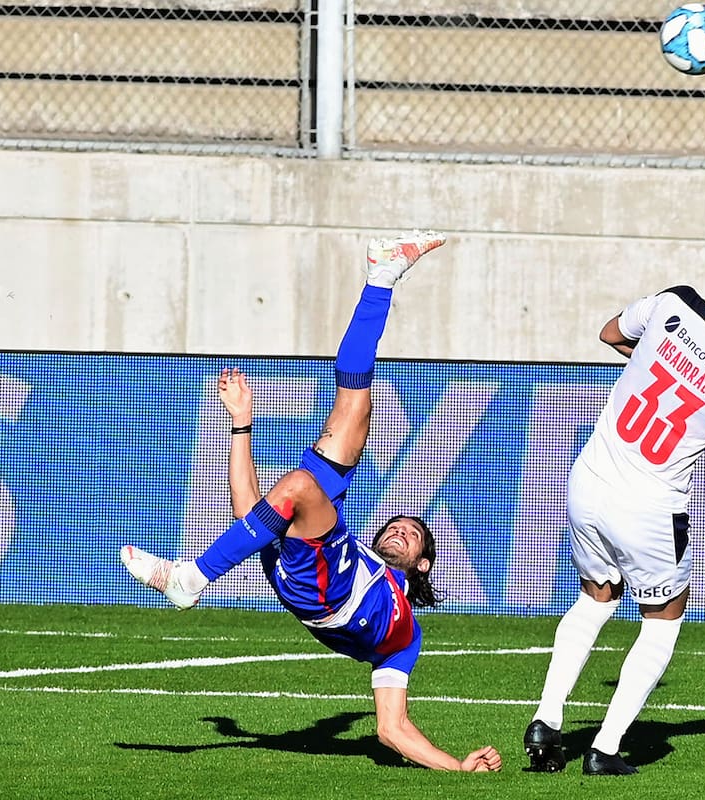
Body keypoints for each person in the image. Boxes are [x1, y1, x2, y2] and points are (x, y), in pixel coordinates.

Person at [121, 231, 503, 773]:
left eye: (413, 535)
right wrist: (241, 423)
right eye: (396, 526)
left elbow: (392, 728)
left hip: (331, 596)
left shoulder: (405, 636)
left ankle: (190, 580)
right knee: (353, 407)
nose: (399, 531)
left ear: (422, 564)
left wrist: (456, 766)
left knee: (301, 485)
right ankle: (381, 278)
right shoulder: (353, 552)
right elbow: (247, 514)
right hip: (326, 566)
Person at [524, 250, 705, 776]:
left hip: (589, 479)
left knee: (596, 596)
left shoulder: (676, 303)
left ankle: (547, 720)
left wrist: (654, 362)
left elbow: (609, 333)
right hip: (648, 504)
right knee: (664, 619)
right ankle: (604, 748)